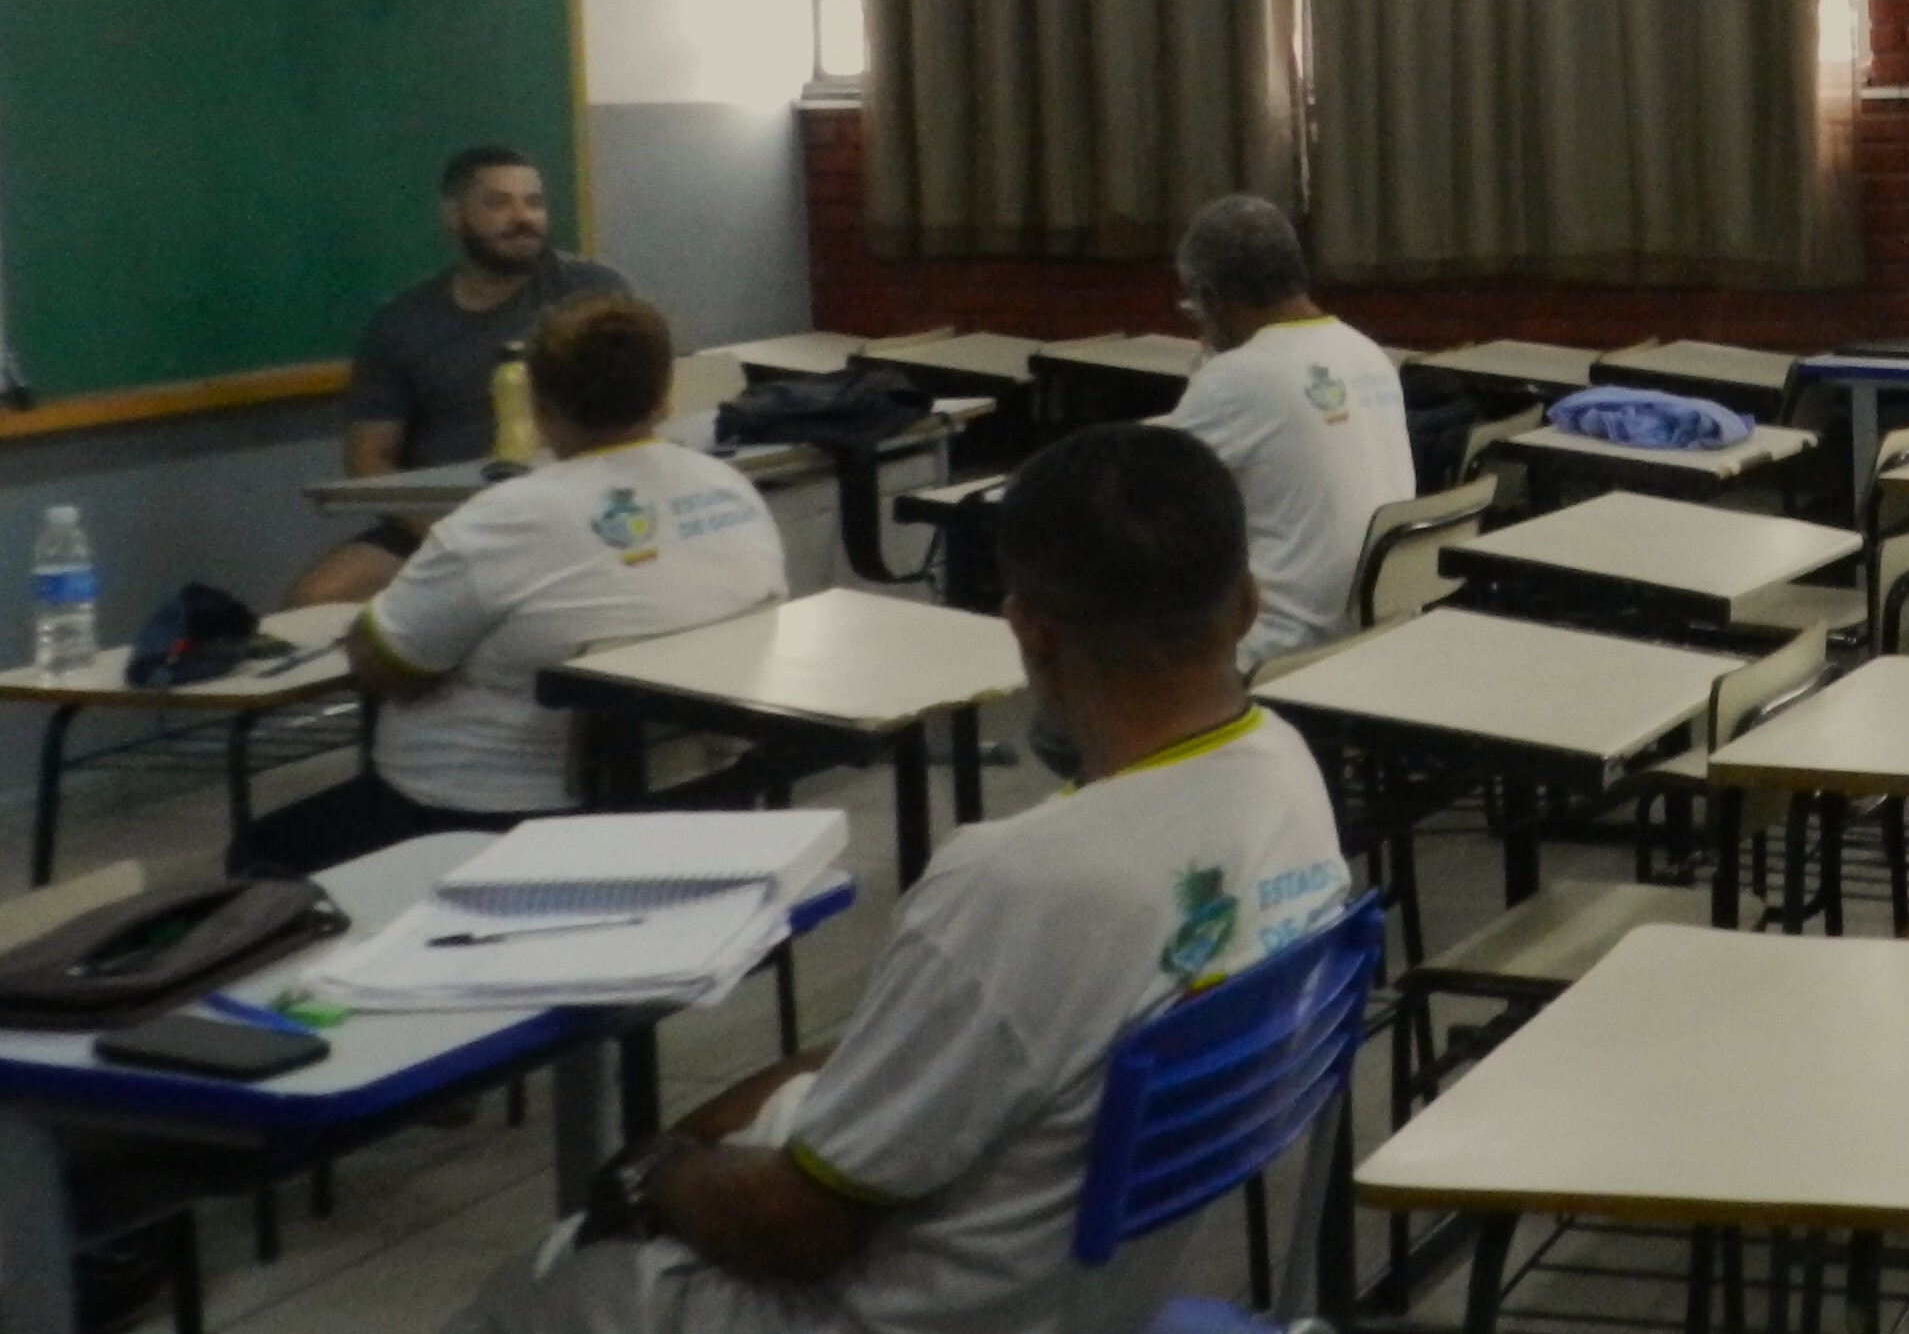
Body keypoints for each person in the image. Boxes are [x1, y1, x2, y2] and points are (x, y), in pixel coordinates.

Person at [450, 423, 1354, 1334]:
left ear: (1030, 631)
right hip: (1108, 1297)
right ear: (1245, 604)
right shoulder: (1289, 773)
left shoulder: (1018, 882)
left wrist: (654, 1170)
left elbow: (796, 1234)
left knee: (525, 1290)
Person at [235, 295, 782, 876]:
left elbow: (382, 664)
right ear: (665, 396)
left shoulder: (502, 521)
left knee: (259, 852)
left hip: (489, 823)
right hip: (700, 804)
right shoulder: (734, 493)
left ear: (539, 408)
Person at [292, 145, 634, 608]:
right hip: (447, 522)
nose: (522, 217)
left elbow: (644, 409)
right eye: (498, 203)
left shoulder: (594, 294)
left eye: (533, 202)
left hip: (575, 508)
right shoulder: (401, 323)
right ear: (454, 215)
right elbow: (368, 458)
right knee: (315, 599)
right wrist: (450, 537)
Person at [1156, 194, 1412, 672]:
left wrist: (1210, 362)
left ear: (1211, 299)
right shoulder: (1368, 353)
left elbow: (1147, 493)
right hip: (1383, 628)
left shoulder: (1237, 376)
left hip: (1285, 647)